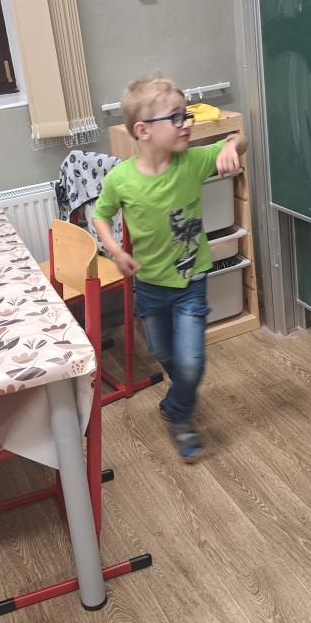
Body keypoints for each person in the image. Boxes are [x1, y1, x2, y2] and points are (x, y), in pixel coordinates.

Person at [94, 76, 244, 462]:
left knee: (191, 363)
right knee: (161, 350)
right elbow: (101, 215)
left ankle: (178, 412)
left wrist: (231, 147)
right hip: (149, 285)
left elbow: (240, 138)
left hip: (191, 281)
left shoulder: (192, 161)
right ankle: (182, 392)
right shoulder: (121, 179)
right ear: (143, 131)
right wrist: (114, 250)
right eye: (175, 118)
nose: (186, 124)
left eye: (186, 115)